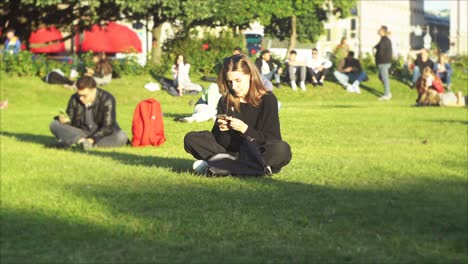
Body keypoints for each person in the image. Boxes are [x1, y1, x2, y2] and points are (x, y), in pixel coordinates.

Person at [184, 54, 292, 176]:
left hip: (257, 150)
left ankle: (220, 164)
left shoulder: (268, 100)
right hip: (231, 150)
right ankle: (252, 168)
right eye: (229, 82)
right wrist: (222, 130)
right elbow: (219, 142)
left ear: (250, 76)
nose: (234, 87)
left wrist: (245, 129)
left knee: (282, 149)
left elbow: (272, 139)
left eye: (238, 80)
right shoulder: (225, 101)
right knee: (191, 139)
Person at [49, 76, 128, 150]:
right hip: (81, 133)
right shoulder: (74, 98)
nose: (81, 98)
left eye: (84, 96)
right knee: (54, 124)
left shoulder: (107, 99)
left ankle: (72, 142)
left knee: (121, 136)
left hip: (101, 135)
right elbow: (71, 121)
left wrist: (91, 139)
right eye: (79, 95)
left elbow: (107, 128)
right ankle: (80, 142)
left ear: (93, 90)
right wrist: (63, 120)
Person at [374, 25, 393, 101]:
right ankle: (388, 92)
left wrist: (377, 57)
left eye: (380, 29)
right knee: (381, 77)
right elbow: (378, 47)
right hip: (384, 62)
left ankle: (387, 94)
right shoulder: (384, 39)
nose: (378, 30)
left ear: (383, 31)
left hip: (383, 62)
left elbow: (381, 52)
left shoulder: (384, 40)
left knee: (385, 78)